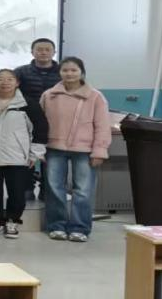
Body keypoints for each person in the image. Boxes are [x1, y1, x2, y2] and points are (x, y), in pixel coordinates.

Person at [41, 57, 111, 243]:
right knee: (54, 188)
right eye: (65, 70)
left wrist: (99, 151)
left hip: (85, 149)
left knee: (83, 190)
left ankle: (80, 228)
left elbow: (102, 126)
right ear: (59, 72)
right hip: (54, 148)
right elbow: (40, 123)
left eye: (74, 70)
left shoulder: (95, 96)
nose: (69, 74)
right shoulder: (49, 95)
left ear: (82, 72)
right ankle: (56, 226)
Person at [0, 69, 45, 239]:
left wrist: (35, 154)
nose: (5, 82)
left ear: (17, 83)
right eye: (0, 79)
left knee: (16, 192)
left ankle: (12, 221)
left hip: (18, 156)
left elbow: (40, 128)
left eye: (10, 79)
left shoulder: (27, 103)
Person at [14, 38, 62, 201]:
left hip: (56, 120)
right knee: (26, 153)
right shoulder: (20, 72)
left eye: (47, 49)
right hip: (27, 121)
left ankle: (47, 189)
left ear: (54, 52)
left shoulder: (63, 71)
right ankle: (27, 187)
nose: (43, 52)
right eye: (39, 49)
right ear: (32, 52)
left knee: (52, 155)